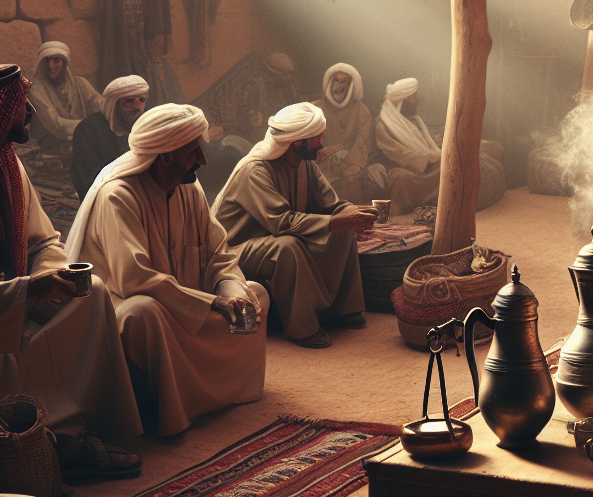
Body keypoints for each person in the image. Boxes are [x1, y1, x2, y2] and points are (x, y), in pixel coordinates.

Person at [66, 104, 268, 437]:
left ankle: (223, 392)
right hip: (129, 304)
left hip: (187, 301)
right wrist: (211, 303)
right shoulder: (118, 195)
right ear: (166, 157)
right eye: (194, 151)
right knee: (144, 312)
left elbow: (218, 251)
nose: (203, 158)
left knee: (255, 293)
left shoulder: (190, 188)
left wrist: (229, 288)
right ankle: (174, 408)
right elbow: (134, 278)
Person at [0, 64, 141, 477]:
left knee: (92, 291)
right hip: (6, 302)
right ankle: (36, 443)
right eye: (18, 105)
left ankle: (69, 427)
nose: (30, 112)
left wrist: (47, 279)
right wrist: (25, 291)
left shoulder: (11, 166)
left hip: (20, 294)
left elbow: (44, 241)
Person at [213, 102, 376, 350]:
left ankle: (343, 310)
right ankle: (302, 328)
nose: (322, 142)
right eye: (317, 137)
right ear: (297, 142)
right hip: (234, 251)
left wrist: (353, 213)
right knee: (287, 247)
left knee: (342, 232)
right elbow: (282, 222)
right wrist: (336, 220)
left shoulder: (305, 162)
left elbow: (329, 204)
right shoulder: (254, 169)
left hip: (273, 237)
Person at [70, 74, 149, 199]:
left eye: (142, 100)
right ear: (114, 105)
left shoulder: (146, 127)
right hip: (105, 202)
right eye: (129, 101)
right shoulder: (88, 130)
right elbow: (90, 181)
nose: (137, 107)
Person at [374, 78, 443, 213]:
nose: (418, 99)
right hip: (397, 167)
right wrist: (429, 159)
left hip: (422, 165)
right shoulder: (383, 124)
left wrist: (434, 158)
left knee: (445, 168)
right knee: (402, 179)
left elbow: (427, 145)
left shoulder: (415, 120)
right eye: (413, 96)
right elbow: (398, 153)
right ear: (402, 99)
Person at [28, 41, 103, 157]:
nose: (50, 65)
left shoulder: (80, 83)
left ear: (64, 62)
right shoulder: (36, 88)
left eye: (56, 60)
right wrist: (92, 126)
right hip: (49, 143)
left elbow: (99, 103)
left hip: (80, 134)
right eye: (47, 61)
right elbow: (56, 124)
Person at [312, 63, 373, 204]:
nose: (338, 86)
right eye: (336, 80)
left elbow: (362, 145)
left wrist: (352, 164)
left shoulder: (362, 112)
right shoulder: (314, 109)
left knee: (353, 178)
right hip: (319, 165)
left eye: (343, 81)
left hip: (349, 166)